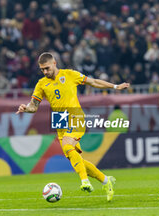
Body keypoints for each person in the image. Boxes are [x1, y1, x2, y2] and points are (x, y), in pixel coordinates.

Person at [16, 52, 129, 201]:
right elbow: (34, 106)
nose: (45, 72)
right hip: (59, 121)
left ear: (54, 63)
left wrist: (115, 86)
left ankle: (84, 181)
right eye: (42, 69)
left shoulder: (70, 74)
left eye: (47, 68)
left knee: (68, 146)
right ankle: (106, 181)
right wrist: (26, 108)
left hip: (75, 116)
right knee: (76, 159)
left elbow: (93, 82)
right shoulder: (42, 84)